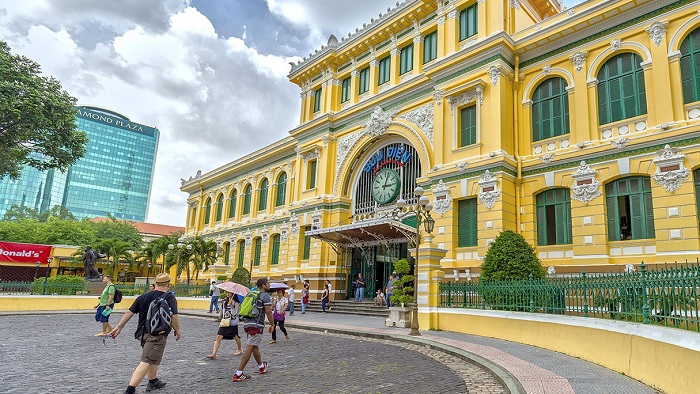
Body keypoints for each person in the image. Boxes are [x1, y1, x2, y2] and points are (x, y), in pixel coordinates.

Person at [109, 273, 181, 394]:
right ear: (168, 284)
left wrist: (119, 327)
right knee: (147, 360)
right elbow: (173, 316)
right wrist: (177, 329)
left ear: (155, 284)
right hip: (156, 334)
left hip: (142, 333)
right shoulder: (169, 297)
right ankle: (130, 390)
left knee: (152, 356)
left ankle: (153, 381)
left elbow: (129, 312)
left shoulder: (143, 297)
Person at [232, 277, 274, 382]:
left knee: (255, 346)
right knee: (250, 348)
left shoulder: (252, 294)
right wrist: (272, 324)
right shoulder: (265, 296)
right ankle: (238, 373)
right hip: (256, 325)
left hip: (248, 324)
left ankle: (261, 367)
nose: (269, 285)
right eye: (268, 283)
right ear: (263, 285)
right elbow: (268, 312)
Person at [207, 291, 242, 359]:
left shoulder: (236, 303)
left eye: (229, 293)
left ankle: (239, 349)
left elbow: (235, 313)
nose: (227, 294)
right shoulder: (224, 302)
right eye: (227, 292)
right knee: (218, 337)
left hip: (232, 322)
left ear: (233, 294)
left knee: (235, 336)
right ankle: (214, 354)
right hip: (225, 322)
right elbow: (223, 312)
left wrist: (232, 305)